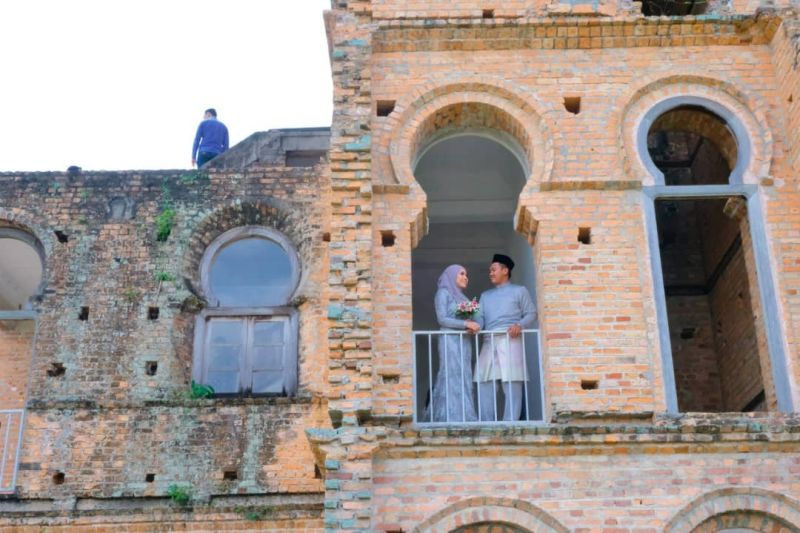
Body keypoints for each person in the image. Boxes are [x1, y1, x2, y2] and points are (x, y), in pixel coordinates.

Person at [474, 254, 537, 422]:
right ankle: (487, 422)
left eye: (493, 269)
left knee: (512, 383)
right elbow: (480, 319)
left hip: (511, 339)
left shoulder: (519, 290)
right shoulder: (485, 296)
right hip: (489, 340)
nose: (490, 273)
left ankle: (511, 423)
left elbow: (531, 313)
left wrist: (520, 325)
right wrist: (472, 323)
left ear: (505, 270)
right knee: (484, 381)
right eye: (490, 270)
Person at [426, 264, 480, 423]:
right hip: (449, 340)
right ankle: (448, 417)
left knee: (464, 376)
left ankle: (464, 416)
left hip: (463, 341)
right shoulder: (443, 293)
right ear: (451, 275)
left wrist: (472, 324)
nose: (466, 277)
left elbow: (472, 319)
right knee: (451, 375)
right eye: (461, 274)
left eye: (466, 274)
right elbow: (442, 319)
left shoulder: (465, 299)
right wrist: (465, 324)